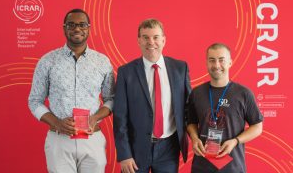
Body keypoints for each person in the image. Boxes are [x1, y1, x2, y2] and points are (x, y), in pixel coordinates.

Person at [28, 8, 115, 173]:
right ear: (64, 28)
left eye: (82, 25)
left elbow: (111, 99)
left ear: (89, 28)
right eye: (71, 25)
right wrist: (57, 123)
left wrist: (95, 117)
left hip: (92, 139)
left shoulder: (102, 61)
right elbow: (34, 101)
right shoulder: (47, 61)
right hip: (59, 140)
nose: (77, 29)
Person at [113, 18, 191, 173]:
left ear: (163, 40)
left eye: (155, 37)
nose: (151, 42)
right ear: (139, 41)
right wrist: (124, 154)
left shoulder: (180, 68)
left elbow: (189, 107)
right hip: (136, 149)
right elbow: (120, 116)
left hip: (169, 148)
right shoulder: (125, 72)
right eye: (146, 37)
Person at [186, 43, 263, 173]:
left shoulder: (243, 93)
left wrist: (235, 141)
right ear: (206, 63)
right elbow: (191, 122)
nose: (216, 65)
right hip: (202, 166)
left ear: (230, 63)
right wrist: (194, 138)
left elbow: (257, 127)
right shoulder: (197, 92)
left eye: (221, 60)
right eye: (212, 60)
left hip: (232, 167)